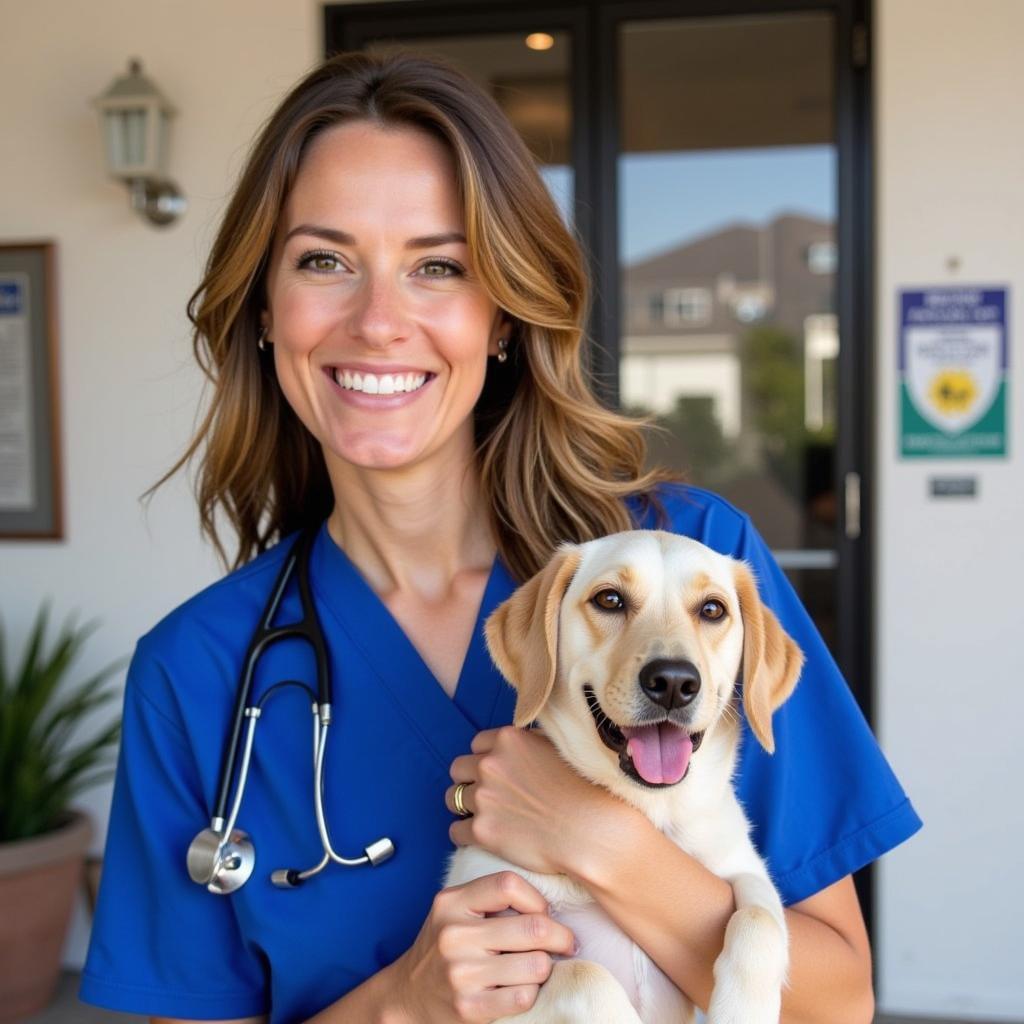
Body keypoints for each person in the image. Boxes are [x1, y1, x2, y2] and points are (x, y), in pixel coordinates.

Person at [80, 50, 921, 1024]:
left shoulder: (688, 571)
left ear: (505, 316)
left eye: (438, 265)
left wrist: (605, 848)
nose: (379, 320)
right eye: (324, 261)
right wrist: (405, 1001)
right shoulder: (199, 672)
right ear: (266, 308)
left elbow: (837, 1002)